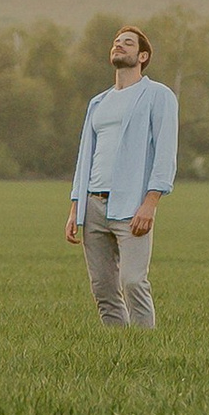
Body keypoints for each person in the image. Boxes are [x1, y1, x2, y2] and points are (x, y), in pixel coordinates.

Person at [65, 24, 178, 327]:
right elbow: (85, 155)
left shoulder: (158, 96)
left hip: (132, 206)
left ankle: (145, 350)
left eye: (127, 43)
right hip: (93, 205)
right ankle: (119, 352)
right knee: (103, 289)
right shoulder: (98, 103)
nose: (119, 46)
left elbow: (166, 152)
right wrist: (76, 206)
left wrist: (151, 202)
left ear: (142, 56)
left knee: (132, 282)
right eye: (116, 42)